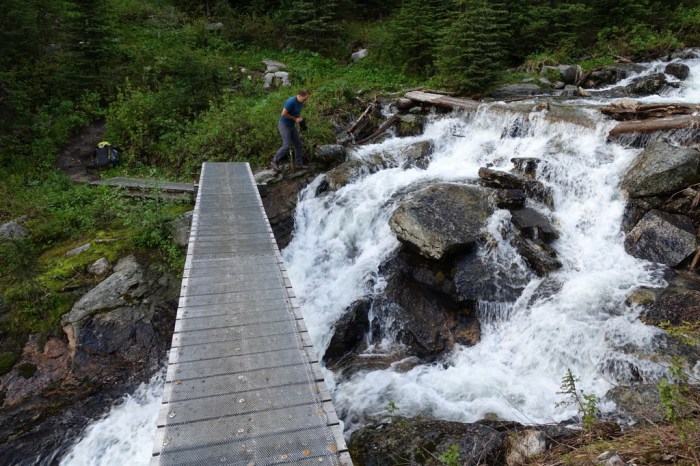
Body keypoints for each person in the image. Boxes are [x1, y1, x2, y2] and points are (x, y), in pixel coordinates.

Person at [270, 90, 309, 171]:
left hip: (291, 126)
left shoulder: (300, 103)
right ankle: (274, 161)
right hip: (284, 125)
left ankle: (299, 164)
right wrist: (295, 119)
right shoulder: (291, 101)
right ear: (299, 96)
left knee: (298, 144)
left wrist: (300, 120)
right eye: (304, 99)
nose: (305, 101)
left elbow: (296, 113)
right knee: (286, 146)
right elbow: (283, 114)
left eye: (306, 99)